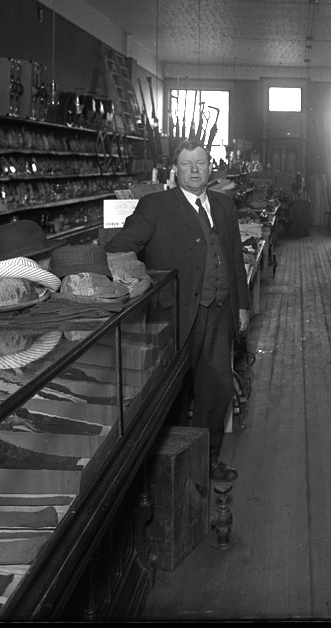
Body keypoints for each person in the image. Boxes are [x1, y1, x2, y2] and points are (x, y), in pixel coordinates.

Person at [105, 138, 250, 482]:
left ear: (210, 166)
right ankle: (167, 470)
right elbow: (119, 248)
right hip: (175, 316)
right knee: (170, 395)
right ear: (175, 170)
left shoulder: (225, 206)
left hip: (219, 311)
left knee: (216, 391)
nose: (195, 169)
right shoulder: (155, 206)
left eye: (200, 162)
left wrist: (242, 304)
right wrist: (138, 285)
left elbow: (234, 258)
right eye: (187, 163)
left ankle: (207, 461)